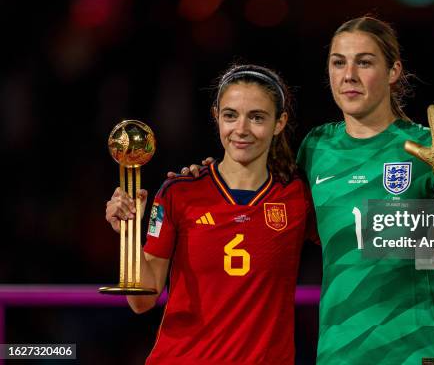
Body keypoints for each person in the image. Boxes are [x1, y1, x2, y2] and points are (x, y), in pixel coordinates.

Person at [177, 17, 434, 364]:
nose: (348, 75)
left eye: (364, 62)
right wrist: (206, 184)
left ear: (393, 71)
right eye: (338, 62)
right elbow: (269, 214)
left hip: (418, 351)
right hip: (339, 353)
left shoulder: (433, 147)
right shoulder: (317, 146)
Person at [105, 64, 317, 365]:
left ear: (279, 122)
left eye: (257, 117)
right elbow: (141, 301)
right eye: (230, 115)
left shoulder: (298, 196)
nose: (241, 129)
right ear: (216, 115)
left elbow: (358, 246)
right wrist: (127, 234)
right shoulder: (178, 192)